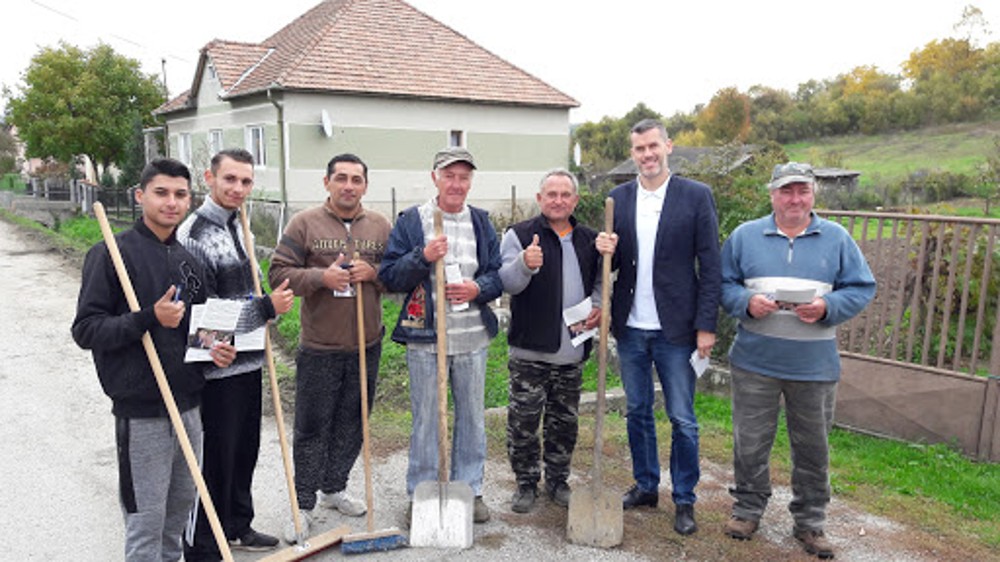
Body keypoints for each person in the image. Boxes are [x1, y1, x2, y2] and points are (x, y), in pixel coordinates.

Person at [72, 158, 237, 561]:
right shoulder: (110, 254)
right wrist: (148, 317)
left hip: (189, 407)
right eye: (161, 193)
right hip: (142, 411)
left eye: (180, 194)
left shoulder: (189, 260)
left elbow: (198, 332)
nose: (171, 202)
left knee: (176, 519)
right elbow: (86, 330)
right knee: (145, 525)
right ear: (140, 196)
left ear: (189, 200)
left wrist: (215, 350)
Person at [720, 162, 875, 559]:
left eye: (802, 190)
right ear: (772, 194)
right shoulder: (744, 237)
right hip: (754, 362)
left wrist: (827, 307)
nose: (794, 199)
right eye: (786, 191)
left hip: (814, 367)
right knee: (750, 442)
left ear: (813, 194)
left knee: (812, 447)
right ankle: (747, 510)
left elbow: (862, 287)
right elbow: (722, 284)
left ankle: (810, 522)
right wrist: (746, 302)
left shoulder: (837, 238)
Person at [178, 149, 295, 559]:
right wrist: (266, 309)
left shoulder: (241, 225)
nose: (238, 188)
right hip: (216, 369)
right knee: (216, 457)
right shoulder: (193, 234)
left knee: (246, 450)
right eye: (230, 179)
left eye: (246, 181)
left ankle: (238, 526)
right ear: (209, 178)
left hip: (249, 360)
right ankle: (204, 543)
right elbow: (202, 319)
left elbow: (250, 291)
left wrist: (266, 307)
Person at [268, 153, 391, 542]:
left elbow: (398, 274)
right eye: (341, 178)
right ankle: (302, 505)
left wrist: (375, 273)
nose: (348, 186)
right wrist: (322, 277)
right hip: (320, 346)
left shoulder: (380, 226)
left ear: (365, 185)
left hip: (366, 344)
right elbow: (278, 273)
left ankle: (334, 487)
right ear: (327, 182)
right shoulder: (304, 223)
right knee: (311, 427)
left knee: (352, 422)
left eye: (356, 179)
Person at [609, 118, 722, 536]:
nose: (647, 155)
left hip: (676, 329)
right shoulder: (618, 199)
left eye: (653, 146)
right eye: (639, 149)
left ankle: (685, 498)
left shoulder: (695, 196)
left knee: (682, 418)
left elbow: (710, 265)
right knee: (637, 411)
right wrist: (604, 250)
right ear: (633, 153)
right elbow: (613, 262)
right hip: (631, 327)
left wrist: (706, 326)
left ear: (668, 146)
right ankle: (646, 485)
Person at [378, 146, 502, 525]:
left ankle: (470, 489)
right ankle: (421, 492)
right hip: (426, 339)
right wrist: (424, 256)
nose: (456, 183)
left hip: (472, 339)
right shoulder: (412, 221)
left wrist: (477, 288)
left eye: (464, 177)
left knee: (472, 418)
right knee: (426, 419)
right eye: (449, 175)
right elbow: (389, 276)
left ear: (470, 181)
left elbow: (497, 274)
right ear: (435, 177)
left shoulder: (481, 222)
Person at [499, 169, 617, 513]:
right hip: (529, 351)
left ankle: (557, 481)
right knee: (523, 424)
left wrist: (599, 306)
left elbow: (601, 281)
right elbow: (507, 283)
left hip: (571, 351)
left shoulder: (590, 240)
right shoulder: (520, 235)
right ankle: (525, 483)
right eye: (551, 194)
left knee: (563, 424)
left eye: (565, 195)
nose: (558, 201)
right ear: (539, 199)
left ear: (575, 200)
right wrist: (524, 263)